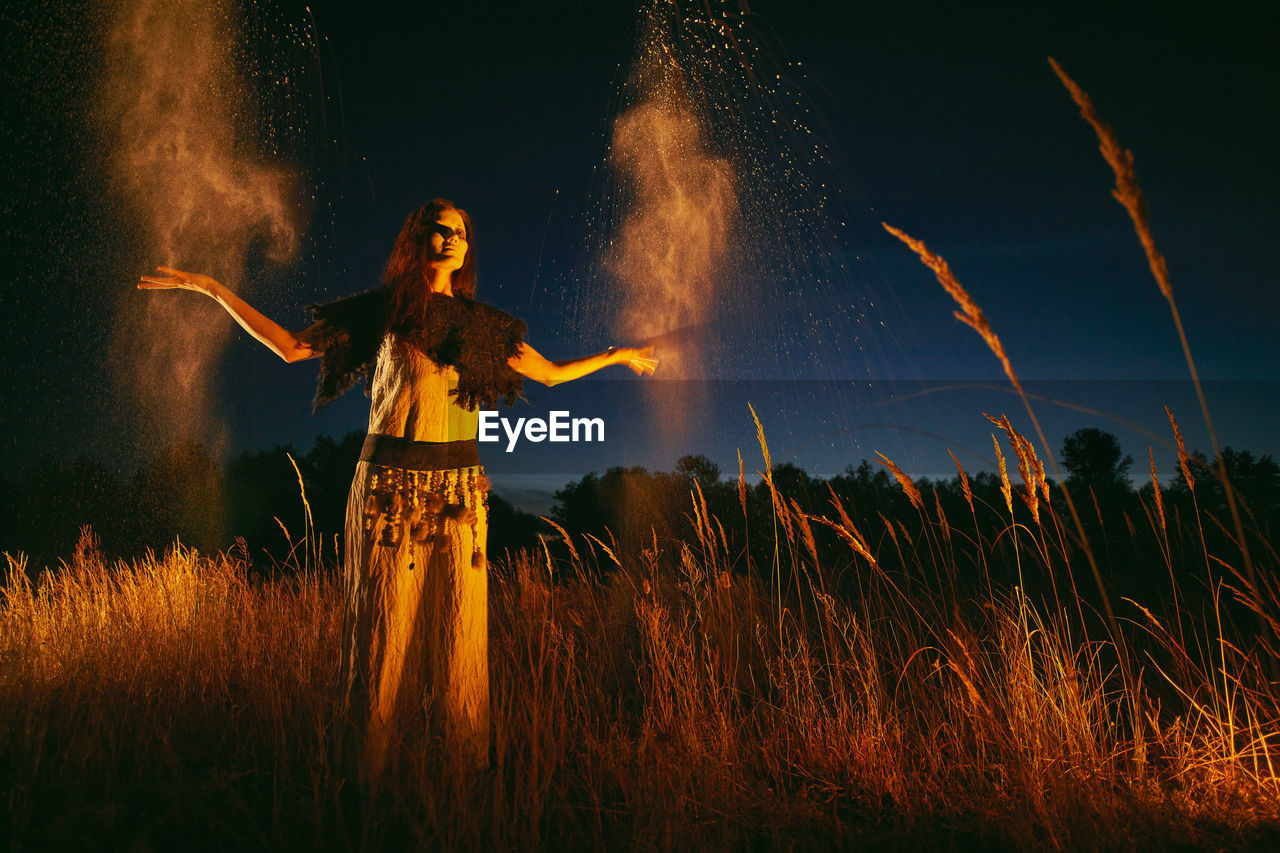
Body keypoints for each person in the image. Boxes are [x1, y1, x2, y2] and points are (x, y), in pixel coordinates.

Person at [139, 199, 657, 783]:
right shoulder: (382, 311)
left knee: (462, 631)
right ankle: (363, 781)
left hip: (462, 492)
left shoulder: (482, 325)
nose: (452, 238)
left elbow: (553, 373)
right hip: (389, 488)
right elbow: (290, 346)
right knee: (382, 632)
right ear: (417, 238)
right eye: (439, 228)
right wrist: (211, 288)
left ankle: (465, 783)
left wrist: (618, 356)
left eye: (460, 231)